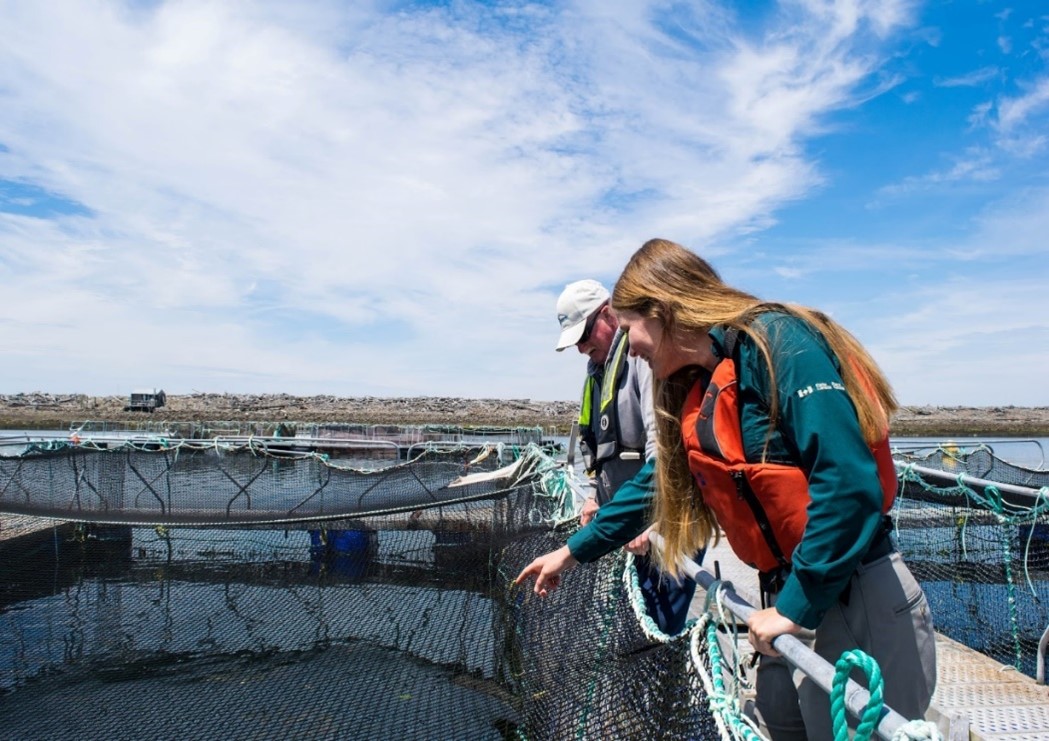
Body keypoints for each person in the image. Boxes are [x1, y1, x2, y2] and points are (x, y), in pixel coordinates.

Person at [606, 238, 936, 739]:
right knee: (779, 722)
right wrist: (574, 551)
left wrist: (794, 609)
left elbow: (848, 483)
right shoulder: (706, 376)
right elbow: (662, 481)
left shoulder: (777, 341)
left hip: (853, 592)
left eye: (629, 329)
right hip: (786, 594)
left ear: (662, 309)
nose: (629, 348)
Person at [516, 279, 698, 635]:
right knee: (635, 623)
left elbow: (663, 454)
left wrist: (656, 523)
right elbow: (599, 447)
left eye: (584, 336)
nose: (582, 348)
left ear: (608, 314)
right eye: (575, 343)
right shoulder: (598, 373)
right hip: (626, 525)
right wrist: (594, 494)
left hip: (662, 526)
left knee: (658, 631)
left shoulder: (641, 359)